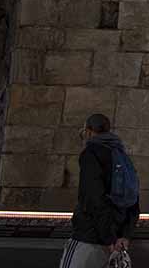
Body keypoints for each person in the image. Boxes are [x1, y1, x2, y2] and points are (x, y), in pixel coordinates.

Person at [58, 113, 140, 268]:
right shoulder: (122, 156)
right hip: (116, 239)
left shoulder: (91, 153)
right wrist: (124, 235)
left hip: (90, 237)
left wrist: (108, 238)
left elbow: (93, 198)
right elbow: (133, 199)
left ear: (88, 131)